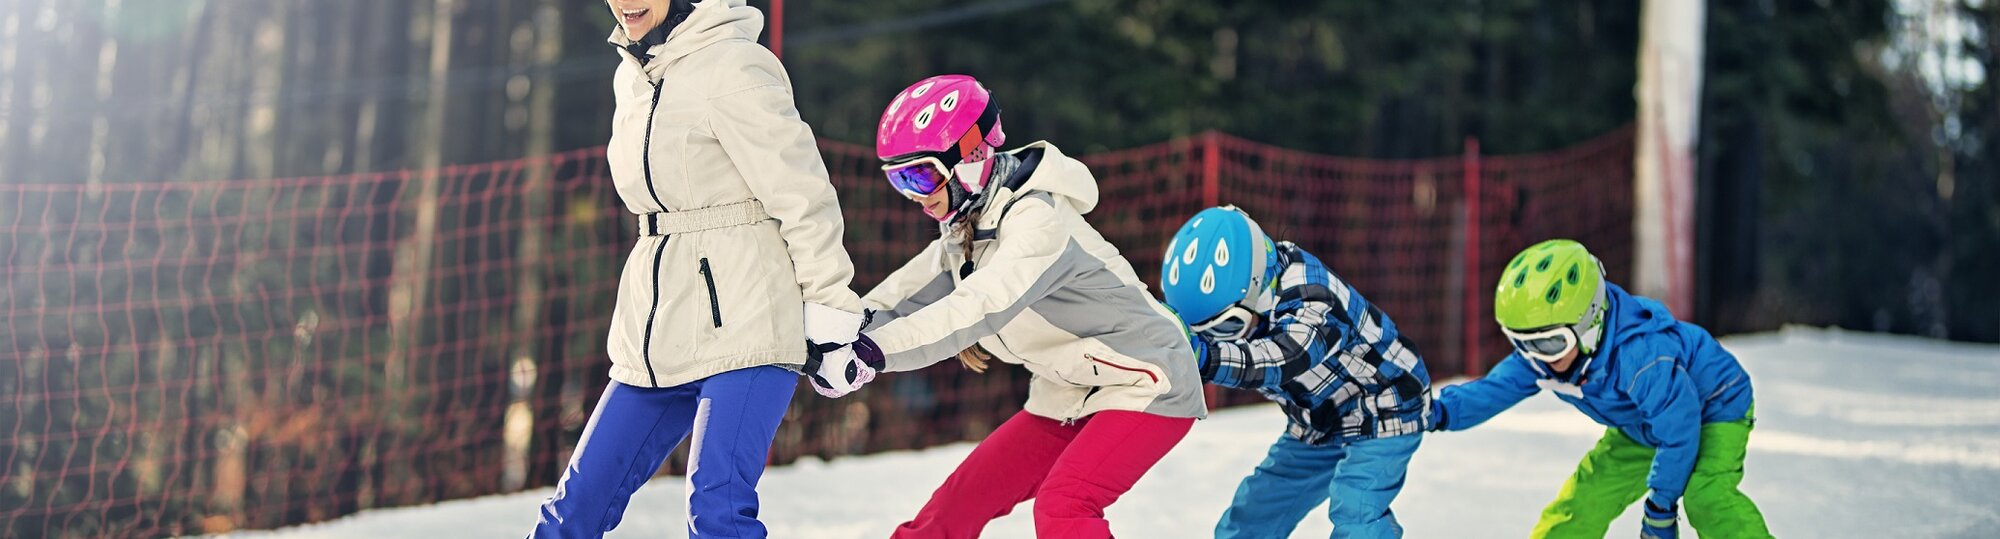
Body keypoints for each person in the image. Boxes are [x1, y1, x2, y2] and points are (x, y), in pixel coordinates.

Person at [810, 74, 1207, 538]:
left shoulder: (1038, 220)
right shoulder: (967, 227)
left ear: (971, 158)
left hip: (1146, 381)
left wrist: (872, 354)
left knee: (1065, 507)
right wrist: (835, 332)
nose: (917, 197)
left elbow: (977, 307)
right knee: (950, 512)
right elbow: (897, 297)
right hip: (1067, 393)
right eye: (901, 182)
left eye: (921, 175)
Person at [530, 1, 868, 537]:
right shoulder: (632, 76)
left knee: (717, 508)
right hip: (660, 323)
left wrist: (829, 306)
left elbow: (803, 194)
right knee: (576, 506)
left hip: (749, 315)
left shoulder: (734, 65)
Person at [1428, 239, 1772, 539]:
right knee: (1584, 500)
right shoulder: (1548, 358)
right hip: (1643, 423)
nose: (1535, 357)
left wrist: (1661, 506)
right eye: (1521, 343)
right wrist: (1440, 411)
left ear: (1588, 322)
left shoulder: (1642, 357)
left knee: (1706, 498)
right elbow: (1495, 389)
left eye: (1549, 342)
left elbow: (1679, 430)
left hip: (1714, 408)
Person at [1158, 206, 1433, 538]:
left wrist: (1206, 357)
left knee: (1356, 506)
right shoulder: (1247, 295)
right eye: (1207, 334)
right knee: (1255, 512)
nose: (1222, 340)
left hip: (1384, 406)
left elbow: (1279, 359)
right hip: (1318, 421)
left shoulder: (1314, 298)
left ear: (1259, 287)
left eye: (1229, 326)